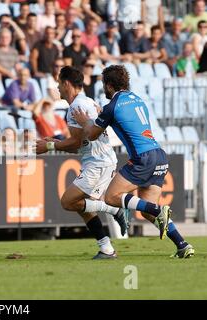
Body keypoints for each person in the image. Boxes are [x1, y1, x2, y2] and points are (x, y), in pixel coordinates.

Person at [72, 64, 195, 258]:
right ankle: (182, 244)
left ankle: (159, 209)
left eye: (104, 84)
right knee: (146, 212)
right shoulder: (138, 99)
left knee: (111, 197)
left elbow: (92, 135)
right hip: (159, 155)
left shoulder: (111, 106)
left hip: (142, 158)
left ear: (110, 85)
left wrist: (85, 122)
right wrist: (102, 115)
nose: (104, 88)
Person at [35, 66, 129, 259]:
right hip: (97, 160)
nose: (58, 88)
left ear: (67, 83)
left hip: (98, 162)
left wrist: (50, 147)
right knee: (82, 205)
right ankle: (106, 249)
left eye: (59, 83)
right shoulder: (86, 101)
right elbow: (80, 143)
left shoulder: (76, 108)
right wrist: (58, 143)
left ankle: (113, 209)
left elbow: (77, 142)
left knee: (68, 202)